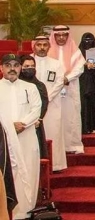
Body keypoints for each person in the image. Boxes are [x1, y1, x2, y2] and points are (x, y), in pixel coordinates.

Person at [0, 54, 41, 220]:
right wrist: (9, 126)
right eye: (8, 65)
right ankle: (6, 218)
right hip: (3, 139)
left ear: (20, 68)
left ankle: (25, 214)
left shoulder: (30, 88)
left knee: (29, 171)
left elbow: (36, 109)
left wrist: (22, 124)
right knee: (9, 174)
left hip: (26, 136)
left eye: (16, 65)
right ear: (1, 68)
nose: (12, 69)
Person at [30, 35, 67, 172]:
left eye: (45, 45)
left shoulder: (56, 64)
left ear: (49, 47)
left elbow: (59, 82)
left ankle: (55, 165)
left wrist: (46, 98)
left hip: (52, 104)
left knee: (54, 133)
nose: (42, 48)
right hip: (31, 106)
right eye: (39, 45)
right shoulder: (28, 62)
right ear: (34, 46)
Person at [48, 26, 85, 154]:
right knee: (55, 117)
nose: (61, 38)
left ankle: (72, 145)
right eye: (58, 35)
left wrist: (67, 78)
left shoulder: (75, 50)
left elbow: (79, 68)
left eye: (64, 35)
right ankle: (54, 146)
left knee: (71, 117)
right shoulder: (48, 50)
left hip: (70, 87)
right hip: (53, 90)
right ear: (54, 36)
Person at [19, 56, 49, 160]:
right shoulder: (16, 85)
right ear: (20, 67)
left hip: (35, 123)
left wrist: (38, 119)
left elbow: (44, 103)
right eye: (27, 66)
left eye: (32, 66)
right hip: (18, 123)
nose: (30, 69)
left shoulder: (40, 85)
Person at [78, 33, 95, 134]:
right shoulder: (78, 53)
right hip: (82, 84)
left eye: (90, 40)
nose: (88, 43)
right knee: (83, 105)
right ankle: (84, 127)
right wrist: (85, 66)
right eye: (85, 41)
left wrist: (94, 66)